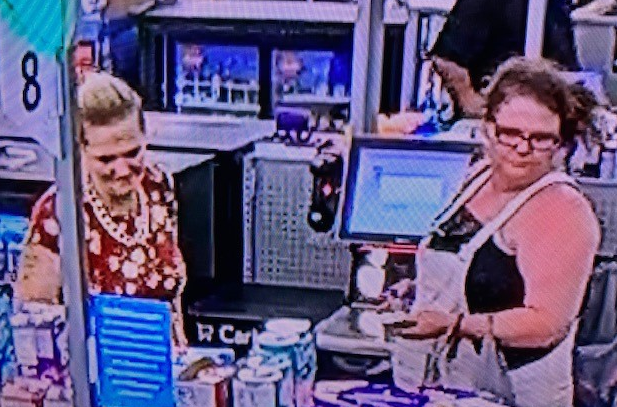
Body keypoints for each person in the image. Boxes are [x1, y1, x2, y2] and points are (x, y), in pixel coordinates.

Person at [382, 57, 600, 407]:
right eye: (510, 133)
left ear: (560, 143)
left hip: (512, 394)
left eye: (541, 139)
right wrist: (416, 292)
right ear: (487, 128)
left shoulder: (564, 209)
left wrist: (452, 324)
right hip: (441, 386)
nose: (522, 148)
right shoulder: (478, 176)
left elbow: (546, 325)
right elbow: (472, 274)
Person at [17, 71, 188, 347]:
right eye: (106, 159)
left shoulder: (158, 186)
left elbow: (172, 303)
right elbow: (33, 326)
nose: (122, 170)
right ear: (81, 150)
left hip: (162, 365)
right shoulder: (58, 213)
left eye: (132, 153)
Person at [430, 0, 580, 117]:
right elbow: (447, 58)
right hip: (498, 116)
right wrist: (470, 101)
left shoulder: (556, 6)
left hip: (547, 114)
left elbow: (566, 66)